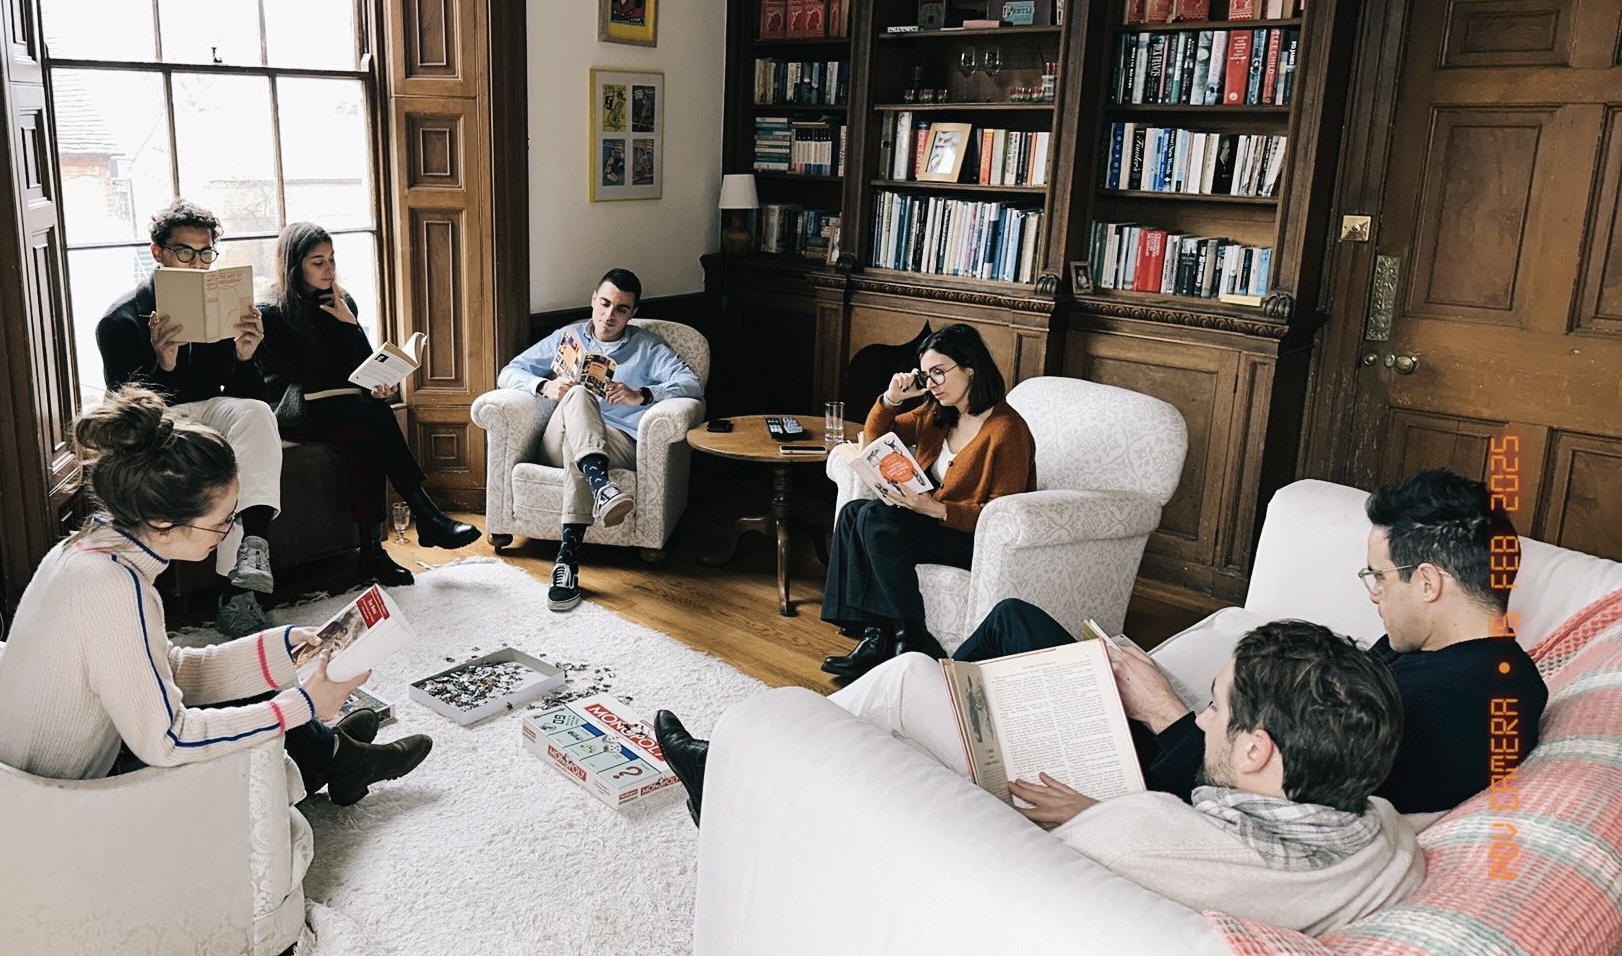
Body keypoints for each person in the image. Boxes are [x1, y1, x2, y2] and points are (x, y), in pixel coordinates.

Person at [659, 620, 1426, 937]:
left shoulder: (1144, 835)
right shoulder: (1381, 832)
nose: (1200, 721)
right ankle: (727, 764)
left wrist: (1102, 811)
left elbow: (1042, 843)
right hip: (1115, 817)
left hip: (1019, 839)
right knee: (923, 676)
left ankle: (730, 767)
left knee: (907, 684)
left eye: (1217, 709)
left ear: (1257, 751)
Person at [935, 467, 1548, 814]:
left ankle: (917, 740)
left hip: (1174, 786)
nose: (1372, 592)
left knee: (994, 656)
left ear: (1432, 582)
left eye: (1380, 576)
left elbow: (1245, 795)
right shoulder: (1474, 664)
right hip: (1207, 742)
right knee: (1018, 622)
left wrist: (1165, 712)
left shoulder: (1444, 708)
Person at [0, 387, 432, 806]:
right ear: (165, 523)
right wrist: (303, 704)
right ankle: (332, 761)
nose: (231, 530)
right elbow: (168, 740)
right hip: (26, 802)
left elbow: (166, 670)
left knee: (250, 695)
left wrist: (280, 650)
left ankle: (332, 756)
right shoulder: (113, 587)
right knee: (239, 737)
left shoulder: (84, 551)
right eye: (224, 519)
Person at [258, 222, 480, 588]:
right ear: (294, 267)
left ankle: (372, 553)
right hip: (294, 407)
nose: (329, 269)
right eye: (318, 263)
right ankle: (425, 514)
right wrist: (350, 359)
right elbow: (305, 373)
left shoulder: (342, 302)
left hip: (343, 408)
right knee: (367, 416)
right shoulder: (272, 313)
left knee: (365, 431)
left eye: (331, 259)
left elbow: (357, 367)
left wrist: (362, 347)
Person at [95, 199, 277, 638]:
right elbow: (130, 414)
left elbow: (245, 397)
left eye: (205, 253)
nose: (197, 263)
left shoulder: (217, 307)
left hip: (209, 411)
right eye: (184, 252)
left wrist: (246, 356)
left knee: (255, 413)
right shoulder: (118, 322)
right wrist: (165, 364)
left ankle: (251, 549)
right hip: (159, 420)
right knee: (217, 457)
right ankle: (237, 595)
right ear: (157, 253)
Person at [819, 323, 1035, 679]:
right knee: (855, 512)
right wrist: (891, 399)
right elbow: (876, 437)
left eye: (939, 373)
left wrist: (933, 508)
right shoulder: (937, 414)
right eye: (926, 374)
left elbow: (1001, 517)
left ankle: (908, 636)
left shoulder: (1007, 431)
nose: (932, 384)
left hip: (970, 539)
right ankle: (877, 635)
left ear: (970, 368)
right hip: (929, 524)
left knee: (873, 515)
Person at [497, 269, 703, 612]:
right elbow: (508, 372)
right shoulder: (568, 336)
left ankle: (567, 562)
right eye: (604, 303)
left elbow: (691, 384)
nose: (610, 314)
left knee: (581, 448)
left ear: (632, 313)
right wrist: (544, 386)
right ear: (593, 299)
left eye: (621, 308)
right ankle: (602, 487)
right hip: (557, 438)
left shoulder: (648, 346)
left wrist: (643, 395)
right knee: (577, 394)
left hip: (617, 442)